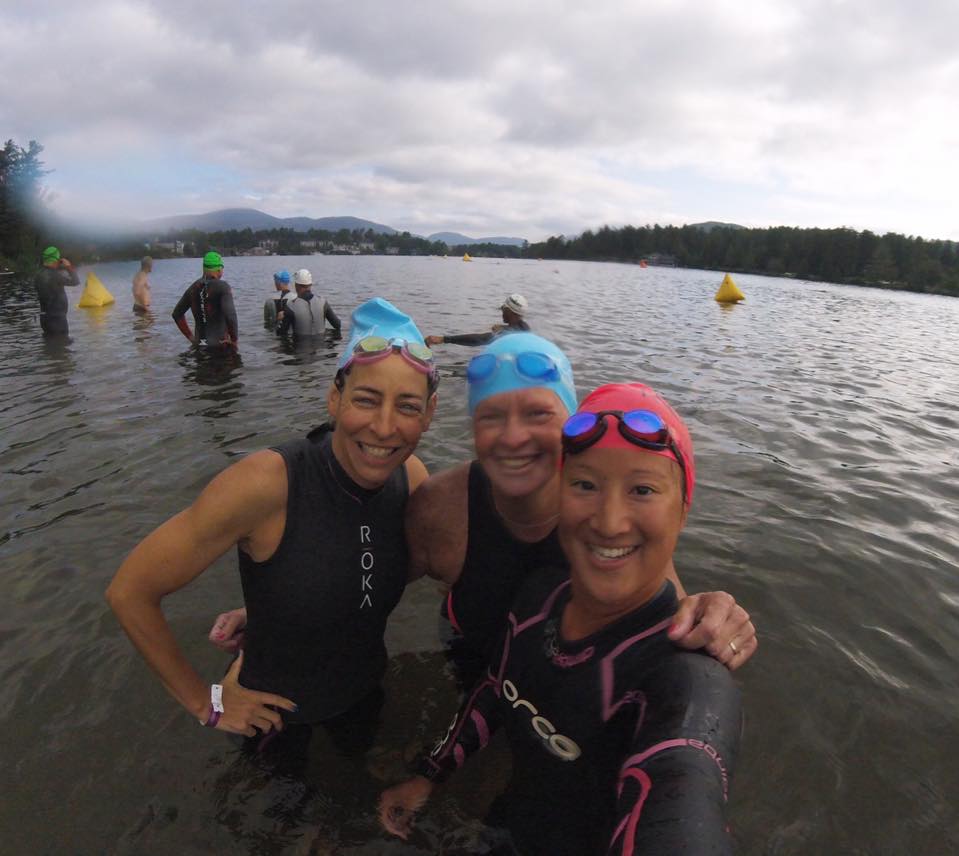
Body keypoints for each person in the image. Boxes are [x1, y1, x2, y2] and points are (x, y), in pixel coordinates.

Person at [211, 333, 756, 676]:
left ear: (571, 423)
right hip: (468, 661)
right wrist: (276, 614)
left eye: (538, 415)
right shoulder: (439, 508)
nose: (513, 438)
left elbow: (666, 598)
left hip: (561, 683)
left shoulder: (602, 514)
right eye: (491, 417)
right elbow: (369, 579)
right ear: (472, 429)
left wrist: (713, 614)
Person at [380, 382, 741, 855]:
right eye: (585, 485)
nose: (609, 521)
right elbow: (496, 688)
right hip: (505, 827)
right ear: (559, 495)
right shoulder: (540, 596)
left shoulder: (686, 680)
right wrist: (430, 774)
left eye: (642, 490)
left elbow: (682, 795)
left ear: (683, 510)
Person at [107, 298, 438, 760]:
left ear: (429, 413)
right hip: (272, 718)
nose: (384, 427)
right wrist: (208, 705)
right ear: (335, 398)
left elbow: (381, 567)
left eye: (407, 406)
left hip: (365, 692)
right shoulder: (267, 484)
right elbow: (130, 592)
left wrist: (277, 602)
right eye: (366, 399)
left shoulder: (412, 479)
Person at [172, 251, 239, 351]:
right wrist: (234, 340)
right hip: (220, 347)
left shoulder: (193, 288)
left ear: (204, 269)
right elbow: (231, 316)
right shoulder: (223, 287)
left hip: (199, 347)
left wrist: (192, 339)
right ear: (219, 269)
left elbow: (177, 314)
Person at [425, 293, 530, 347]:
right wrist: (504, 327)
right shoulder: (525, 328)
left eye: (503, 308)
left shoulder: (506, 335)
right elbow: (513, 329)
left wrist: (444, 339)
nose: (501, 311)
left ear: (508, 310)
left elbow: (479, 339)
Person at [275, 268, 341, 338]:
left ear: (296, 285)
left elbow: (281, 333)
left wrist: (279, 320)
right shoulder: (323, 302)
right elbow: (337, 325)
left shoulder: (291, 306)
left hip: (299, 344)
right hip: (321, 344)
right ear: (311, 284)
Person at [34, 245, 80, 335]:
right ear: (55, 260)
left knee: (50, 342)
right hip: (57, 320)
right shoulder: (55, 276)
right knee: (62, 342)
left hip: (44, 319)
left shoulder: (38, 275)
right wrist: (68, 266)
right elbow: (75, 281)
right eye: (58, 260)